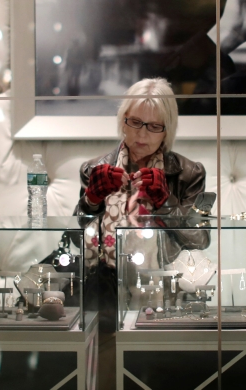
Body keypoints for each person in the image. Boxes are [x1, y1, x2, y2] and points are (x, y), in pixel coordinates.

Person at [74, 77, 206, 390]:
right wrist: (92, 199)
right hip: (102, 286)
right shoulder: (94, 168)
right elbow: (75, 235)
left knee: (154, 374)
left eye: (154, 126)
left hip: (165, 287)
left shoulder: (188, 173)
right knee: (104, 376)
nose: (142, 134)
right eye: (135, 123)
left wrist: (166, 204)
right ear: (123, 122)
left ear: (167, 129)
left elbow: (200, 240)